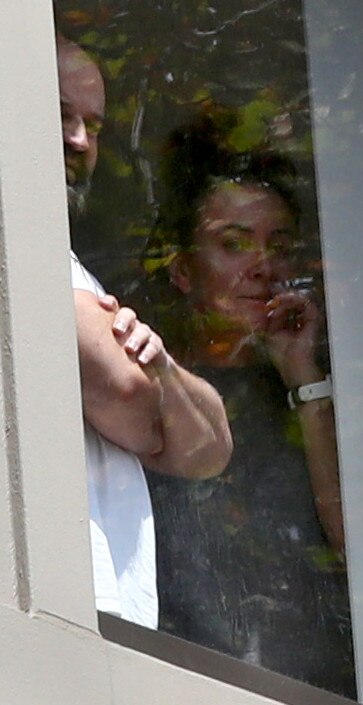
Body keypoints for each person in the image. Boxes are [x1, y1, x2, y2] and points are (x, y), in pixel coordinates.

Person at [145, 124, 355, 696]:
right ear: (183, 269)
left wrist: (303, 376)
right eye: (234, 244)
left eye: (279, 246)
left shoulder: (321, 391)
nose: (263, 265)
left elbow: (361, 552)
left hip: (316, 680)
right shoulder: (143, 386)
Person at [57, 36, 232, 628]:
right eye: (59, 114)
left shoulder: (70, 267)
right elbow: (128, 396)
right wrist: (150, 387)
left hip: (100, 621)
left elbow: (210, 447)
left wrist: (159, 368)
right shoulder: (26, 253)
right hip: (55, 617)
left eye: (94, 125)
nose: (80, 141)